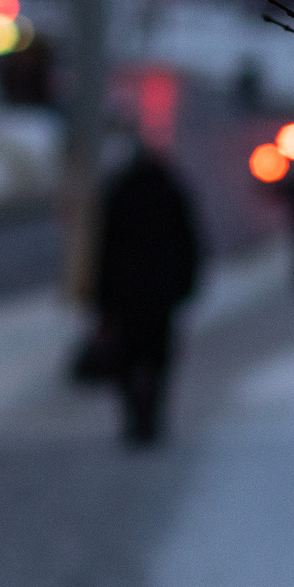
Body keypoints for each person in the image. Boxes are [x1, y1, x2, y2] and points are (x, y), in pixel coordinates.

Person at [89, 148, 201, 443]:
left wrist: (101, 296)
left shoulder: (118, 193)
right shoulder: (171, 191)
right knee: (158, 356)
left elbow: (105, 249)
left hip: (125, 293)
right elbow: (188, 242)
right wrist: (185, 285)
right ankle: (152, 414)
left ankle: (134, 418)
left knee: (127, 358)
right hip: (162, 293)